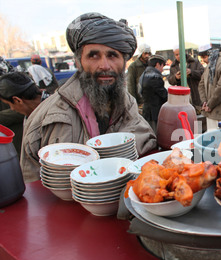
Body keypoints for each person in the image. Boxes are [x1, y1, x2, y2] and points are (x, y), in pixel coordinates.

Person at [20, 12, 157, 183]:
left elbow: (147, 138)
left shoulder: (128, 103)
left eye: (112, 55)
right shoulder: (48, 116)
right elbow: (32, 187)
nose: (104, 65)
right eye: (93, 55)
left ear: (124, 62)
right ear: (78, 62)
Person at [0, 72, 50, 157]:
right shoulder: (36, 110)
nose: (12, 109)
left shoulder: (53, 115)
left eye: (10, 105)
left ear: (18, 100)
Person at [168, 45, 204, 111]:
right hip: (183, 98)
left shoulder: (194, 62)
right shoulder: (173, 66)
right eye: (176, 55)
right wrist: (176, 77)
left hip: (196, 95)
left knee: (197, 120)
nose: (178, 56)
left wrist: (191, 72)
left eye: (180, 53)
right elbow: (170, 80)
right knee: (185, 116)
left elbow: (202, 73)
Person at [139, 54, 168, 132]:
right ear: (157, 65)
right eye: (162, 66)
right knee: (156, 134)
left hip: (147, 111)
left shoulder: (144, 74)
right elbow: (164, 95)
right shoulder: (155, 77)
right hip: (154, 113)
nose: (162, 70)